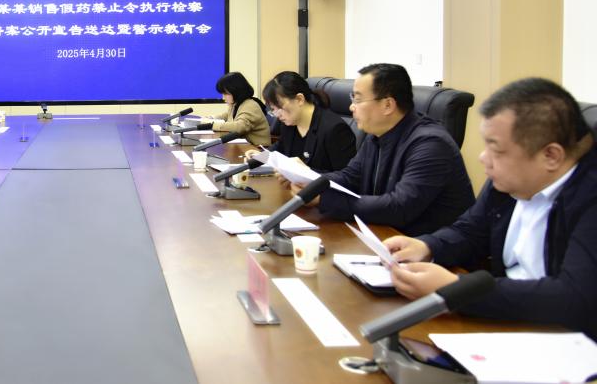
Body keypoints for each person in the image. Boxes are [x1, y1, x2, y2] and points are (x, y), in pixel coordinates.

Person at [383, 78, 597, 337]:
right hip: (510, 321)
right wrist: (428, 246)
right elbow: (471, 231)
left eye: (497, 150)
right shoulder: (510, 182)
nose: (483, 158)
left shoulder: (589, 195)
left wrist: (456, 289)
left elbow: (575, 298)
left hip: (568, 340)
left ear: (551, 156)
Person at [307, 63, 474, 235]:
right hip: (386, 235)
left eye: (357, 99)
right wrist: (309, 183)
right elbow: (350, 177)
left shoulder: (431, 144)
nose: (351, 107)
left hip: (429, 245)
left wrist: (325, 200)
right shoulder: (377, 134)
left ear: (388, 105)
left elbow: (399, 207)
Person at [250, 71, 357, 172]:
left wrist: (305, 171)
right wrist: (260, 156)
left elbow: (346, 177)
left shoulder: (334, 129)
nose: (277, 115)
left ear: (299, 99)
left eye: (280, 107)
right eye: (274, 109)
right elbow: (280, 147)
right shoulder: (289, 123)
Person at [209, 72, 271, 146]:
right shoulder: (236, 104)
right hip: (246, 146)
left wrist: (212, 125)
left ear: (236, 91)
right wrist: (210, 118)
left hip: (258, 148)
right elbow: (227, 115)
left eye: (225, 94)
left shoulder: (250, 105)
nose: (223, 98)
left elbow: (240, 127)